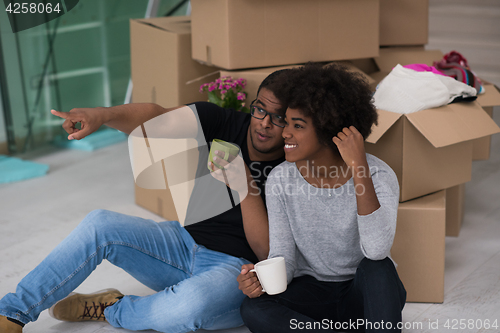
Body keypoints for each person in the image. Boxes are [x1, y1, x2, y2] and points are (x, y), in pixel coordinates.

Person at [0, 70, 291, 333]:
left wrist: (244, 183)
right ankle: (12, 314)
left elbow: (267, 252)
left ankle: (112, 308)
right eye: (259, 110)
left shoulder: (294, 165)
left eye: (277, 118)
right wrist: (104, 115)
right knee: (100, 224)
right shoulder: (226, 122)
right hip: (182, 241)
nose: (264, 123)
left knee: (190, 305)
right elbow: (157, 118)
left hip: (236, 272)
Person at [237, 64, 407, 333]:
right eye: (287, 123)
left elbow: (376, 250)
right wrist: (261, 279)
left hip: (363, 293)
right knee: (253, 308)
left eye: (298, 125)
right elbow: (284, 256)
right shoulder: (281, 179)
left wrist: (359, 168)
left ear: (331, 130)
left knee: (379, 268)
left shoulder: (377, 174)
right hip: (312, 294)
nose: (285, 133)